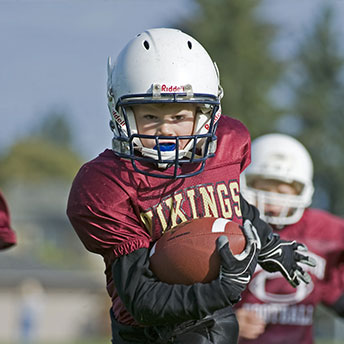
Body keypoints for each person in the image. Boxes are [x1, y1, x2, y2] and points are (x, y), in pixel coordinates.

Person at [67, 28, 315, 344]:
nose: (166, 130)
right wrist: (223, 288)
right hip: (148, 332)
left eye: (179, 116)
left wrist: (269, 244)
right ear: (121, 113)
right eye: (150, 116)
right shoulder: (106, 184)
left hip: (213, 316)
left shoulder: (226, 144)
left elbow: (231, 204)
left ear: (205, 114)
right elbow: (141, 300)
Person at [236, 133, 344, 344]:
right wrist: (223, 322)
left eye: (283, 191)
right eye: (264, 190)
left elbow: (335, 292)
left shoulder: (324, 231)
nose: (274, 204)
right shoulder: (228, 227)